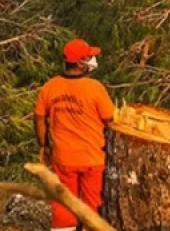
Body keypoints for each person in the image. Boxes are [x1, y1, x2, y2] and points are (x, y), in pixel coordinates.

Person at [34, 39, 116, 231]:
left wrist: (44, 145)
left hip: (64, 158)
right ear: (80, 63)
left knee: (64, 205)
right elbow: (111, 120)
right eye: (89, 57)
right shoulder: (95, 88)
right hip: (93, 158)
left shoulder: (50, 87)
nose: (93, 60)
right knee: (92, 206)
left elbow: (39, 118)